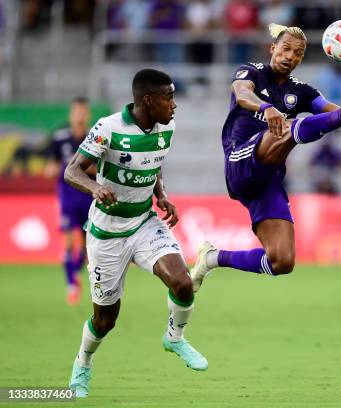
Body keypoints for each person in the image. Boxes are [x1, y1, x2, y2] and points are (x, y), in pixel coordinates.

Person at [190, 23, 341, 287]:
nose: (289, 56)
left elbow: (335, 114)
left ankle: (212, 258)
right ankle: (322, 119)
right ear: (273, 49)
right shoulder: (252, 72)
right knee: (287, 128)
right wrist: (267, 107)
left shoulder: (302, 91)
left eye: (297, 53)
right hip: (241, 159)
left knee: (282, 261)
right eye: (285, 49)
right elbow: (243, 93)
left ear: (302, 58)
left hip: (268, 179)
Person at [65, 69, 207, 398]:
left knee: (183, 283)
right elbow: (72, 170)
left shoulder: (167, 127)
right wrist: (94, 188)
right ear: (148, 100)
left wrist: (162, 196)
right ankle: (83, 361)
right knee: (105, 320)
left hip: (144, 222)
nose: (174, 104)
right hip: (106, 233)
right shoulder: (108, 128)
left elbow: (154, 164)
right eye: (168, 97)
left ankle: (174, 338)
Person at [44, 97, 94, 305]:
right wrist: (52, 170)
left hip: (88, 196)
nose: (79, 115)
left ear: (87, 114)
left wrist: (81, 169)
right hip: (67, 197)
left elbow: (99, 170)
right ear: (71, 114)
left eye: (83, 112)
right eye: (76, 111)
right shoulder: (60, 138)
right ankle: (71, 284)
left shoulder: (95, 138)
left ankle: (78, 274)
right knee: (67, 242)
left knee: (86, 248)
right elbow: (50, 167)